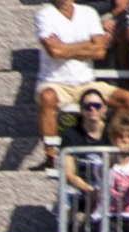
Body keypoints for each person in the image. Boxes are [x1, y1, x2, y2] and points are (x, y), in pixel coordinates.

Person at [35, 0, 114, 169]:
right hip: (55, 82)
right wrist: (87, 45)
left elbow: (100, 51)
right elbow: (54, 52)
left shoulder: (88, 12)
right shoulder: (44, 14)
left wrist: (64, 47)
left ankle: (112, 149)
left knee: (126, 99)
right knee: (47, 97)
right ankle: (51, 157)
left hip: (86, 82)